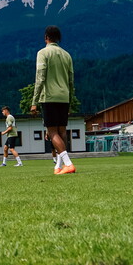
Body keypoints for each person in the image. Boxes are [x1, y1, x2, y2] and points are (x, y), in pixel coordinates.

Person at [30, 25, 76, 175]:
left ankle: (68, 164)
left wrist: (34, 102)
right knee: (62, 130)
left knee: (51, 131)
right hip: (64, 97)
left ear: (46, 38)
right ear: (59, 38)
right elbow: (71, 81)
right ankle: (58, 166)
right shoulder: (67, 55)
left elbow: (40, 78)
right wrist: (71, 101)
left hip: (49, 96)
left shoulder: (43, 53)